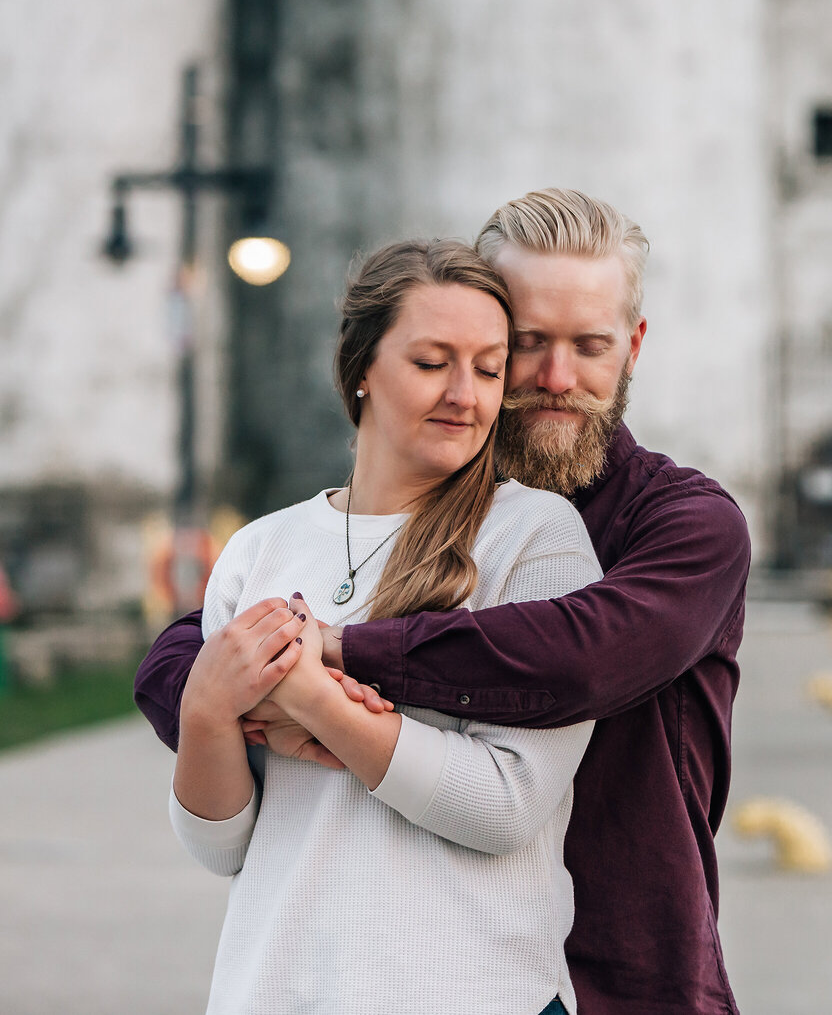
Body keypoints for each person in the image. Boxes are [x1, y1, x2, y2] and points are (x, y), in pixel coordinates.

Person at [136, 189, 751, 1015]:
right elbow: (188, 651)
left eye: (590, 345)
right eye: (526, 344)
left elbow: (576, 657)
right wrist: (222, 700)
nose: (556, 378)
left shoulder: (681, 524)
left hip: (627, 970)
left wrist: (328, 662)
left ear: (633, 346)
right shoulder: (313, 534)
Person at [170, 239, 602, 1015]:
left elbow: (505, 805)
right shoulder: (260, 549)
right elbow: (223, 845)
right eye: (433, 361)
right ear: (362, 366)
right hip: (278, 990)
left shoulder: (536, 539)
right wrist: (204, 711)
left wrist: (311, 699)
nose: (465, 395)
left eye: (489, 367)